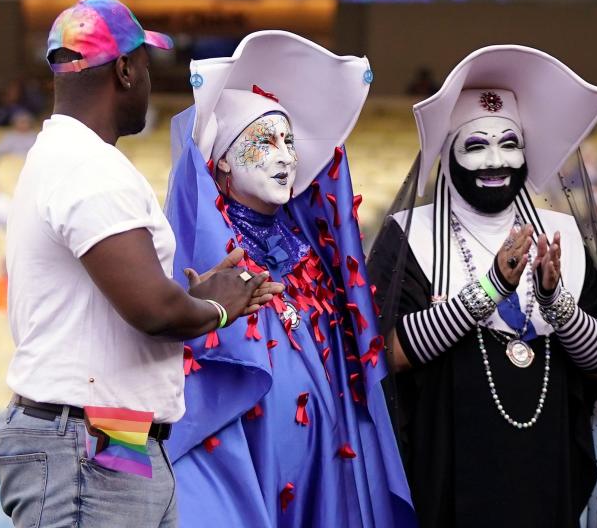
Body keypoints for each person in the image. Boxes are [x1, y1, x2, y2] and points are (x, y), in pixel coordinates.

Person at [0, 0, 283, 528]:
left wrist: (196, 299)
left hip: (109, 434)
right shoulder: (88, 166)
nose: (150, 81)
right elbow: (152, 310)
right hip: (86, 440)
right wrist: (215, 308)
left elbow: (135, 302)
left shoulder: (68, 156)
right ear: (125, 70)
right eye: (147, 67)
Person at [367, 45, 597, 527]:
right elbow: (387, 351)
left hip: (544, 468)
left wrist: (555, 304)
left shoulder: (563, 236)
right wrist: (489, 289)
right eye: (476, 145)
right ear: (447, 155)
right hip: (447, 470)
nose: (497, 160)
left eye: (510, 144)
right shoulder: (410, 233)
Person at [164, 31, 414, 527]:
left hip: (324, 482)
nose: (284, 156)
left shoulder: (312, 261)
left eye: (289, 142)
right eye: (264, 143)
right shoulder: (209, 263)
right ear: (222, 165)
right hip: (248, 475)